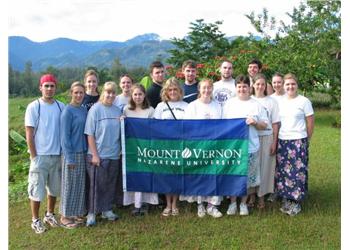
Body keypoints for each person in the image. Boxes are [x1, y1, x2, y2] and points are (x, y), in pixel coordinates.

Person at [25, 74, 65, 233]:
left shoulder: (61, 106)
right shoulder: (34, 106)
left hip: (56, 155)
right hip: (40, 156)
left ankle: (49, 214)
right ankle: (35, 220)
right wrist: (34, 156)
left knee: (54, 189)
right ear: (40, 87)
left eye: (52, 86)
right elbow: (29, 133)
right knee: (36, 190)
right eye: (46, 86)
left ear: (56, 87)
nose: (49, 89)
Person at [222, 75, 268, 216]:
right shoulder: (229, 104)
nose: (242, 89)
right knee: (234, 175)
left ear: (250, 87)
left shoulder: (256, 105)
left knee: (247, 178)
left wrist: (254, 122)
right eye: (239, 86)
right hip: (233, 147)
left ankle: (243, 203)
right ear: (236, 88)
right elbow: (223, 125)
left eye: (245, 86)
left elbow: (264, 125)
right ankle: (232, 203)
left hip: (251, 147)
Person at [180, 79, 223, 218]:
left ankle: (212, 205)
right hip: (198, 146)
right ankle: (200, 204)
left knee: (214, 174)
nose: (206, 90)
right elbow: (187, 128)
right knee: (200, 175)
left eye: (209, 87)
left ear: (212, 89)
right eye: (204, 88)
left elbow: (223, 125)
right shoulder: (192, 106)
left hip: (214, 146)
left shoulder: (218, 106)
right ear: (199, 89)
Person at [84, 81, 122, 226]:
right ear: (103, 93)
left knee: (109, 184)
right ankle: (92, 213)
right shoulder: (95, 109)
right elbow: (89, 134)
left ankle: (106, 209)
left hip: (113, 154)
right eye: (108, 92)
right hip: (98, 154)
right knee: (96, 186)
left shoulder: (117, 110)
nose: (111, 95)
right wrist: (94, 154)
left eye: (113, 92)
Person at [276, 73, 314, 216]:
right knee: (284, 171)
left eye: (293, 84)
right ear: (284, 86)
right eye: (287, 84)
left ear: (297, 85)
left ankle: (296, 201)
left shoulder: (304, 101)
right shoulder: (279, 102)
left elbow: (310, 121)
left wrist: (307, 139)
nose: (290, 87)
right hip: (283, 140)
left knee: (298, 172)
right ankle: (286, 197)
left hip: (299, 140)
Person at [122, 84, 159, 216]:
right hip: (132, 149)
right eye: (135, 94)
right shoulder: (126, 109)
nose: (138, 97)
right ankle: (134, 203)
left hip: (146, 149)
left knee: (145, 175)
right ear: (132, 96)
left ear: (144, 95)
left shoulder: (150, 110)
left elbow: (154, 129)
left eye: (140, 94)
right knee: (134, 175)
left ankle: (145, 203)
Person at [154, 77, 188, 216]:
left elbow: (191, 127)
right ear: (165, 92)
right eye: (170, 89)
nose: (173, 92)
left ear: (179, 91)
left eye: (175, 89)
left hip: (180, 144)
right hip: (165, 145)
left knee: (178, 173)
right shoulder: (161, 106)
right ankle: (168, 203)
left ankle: (176, 203)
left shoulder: (186, 105)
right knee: (167, 174)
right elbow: (155, 126)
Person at [59, 81, 88, 228]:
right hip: (71, 154)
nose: (78, 95)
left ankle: (76, 213)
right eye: (76, 92)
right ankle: (65, 216)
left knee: (79, 185)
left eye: (81, 93)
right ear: (71, 93)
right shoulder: (67, 111)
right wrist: (69, 158)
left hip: (82, 152)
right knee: (69, 185)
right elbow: (64, 137)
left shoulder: (83, 109)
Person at [251, 73, 280, 209]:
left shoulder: (271, 102)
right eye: (258, 84)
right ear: (253, 85)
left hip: (267, 136)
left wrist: (274, 141)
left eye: (263, 84)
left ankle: (261, 197)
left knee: (264, 168)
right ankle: (251, 195)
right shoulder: (249, 100)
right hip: (252, 137)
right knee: (252, 167)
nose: (260, 86)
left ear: (266, 85)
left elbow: (275, 123)